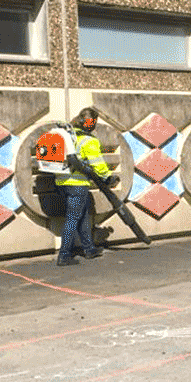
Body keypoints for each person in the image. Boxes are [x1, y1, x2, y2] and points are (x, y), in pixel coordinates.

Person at [54, 107, 118, 266]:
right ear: (91, 123)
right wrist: (108, 177)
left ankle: (89, 249)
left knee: (83, 215)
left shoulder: (69, 136)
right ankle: (64, 255)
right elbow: (97, 163)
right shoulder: (88, 140)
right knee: (72, 218)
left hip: (61, 183)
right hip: (77, 185)